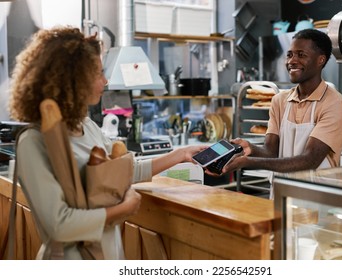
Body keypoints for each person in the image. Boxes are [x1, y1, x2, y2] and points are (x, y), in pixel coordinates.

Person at [8, 26, 207, 260]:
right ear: (72, 80)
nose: (106, 80)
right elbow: (59, 226)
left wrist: (180, 155)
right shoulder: (34, 142)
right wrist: (123, 209)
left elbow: (121, 173)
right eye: (98, 73)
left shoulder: (87, 126)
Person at [217, 29, 342, 179]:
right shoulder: (279, 100)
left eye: (301, 55)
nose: (292, 61)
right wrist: (250, 148)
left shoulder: (335, 104)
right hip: (283, 192)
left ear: (321, 60)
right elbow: (271, 151)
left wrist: (249, 162)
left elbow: (310, 160)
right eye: (289, 55)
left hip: (317, 196)